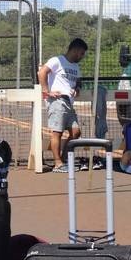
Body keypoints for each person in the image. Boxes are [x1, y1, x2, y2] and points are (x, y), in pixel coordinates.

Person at [38, 38, 87, 173]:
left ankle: (64, 159)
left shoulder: (75, 66)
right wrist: (46, 91)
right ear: (75, 50)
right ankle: (58, 163)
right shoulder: (57, 60)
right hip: (57, 101)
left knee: (76, 132)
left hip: (69, 103)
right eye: (82, 53)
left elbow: (78, 81)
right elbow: (42, 72)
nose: (82, 56)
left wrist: (77, 88)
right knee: (57, 132)